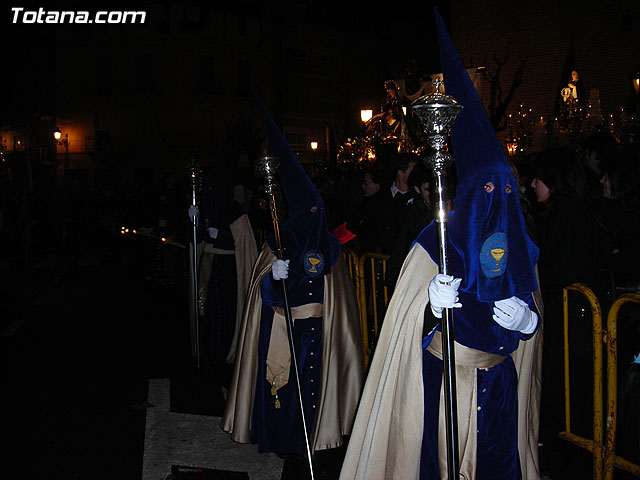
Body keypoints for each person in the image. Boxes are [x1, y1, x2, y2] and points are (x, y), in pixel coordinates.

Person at [340, 10, 542, 479]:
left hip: (500, 388)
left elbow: (534, 309)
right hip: (443, 379)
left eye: (505, 189)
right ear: (470, 192)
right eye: (487, 191)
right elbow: (403, 323)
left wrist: (529, 321)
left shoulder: (519, 241)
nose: (498, 202)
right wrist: (429, 308)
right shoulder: (437, 239)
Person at [221, 96, 364, 464]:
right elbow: (261, 298)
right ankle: (285, 440)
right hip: (287, 333)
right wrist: (273, 276)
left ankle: (317, 436)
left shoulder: (330, 248)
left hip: (320, 332)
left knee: (315, 393)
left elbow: (341, 302)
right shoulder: (277, 245)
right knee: (286, 392)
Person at [187, 120, 259, 374]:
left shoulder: (236, 213)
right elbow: (197, 239)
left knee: (226, 314)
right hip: (210, 267)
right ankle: (207, 350)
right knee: (207, 310)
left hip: (228, 271)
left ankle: (225, 350)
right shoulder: (208, 208)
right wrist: (195, 221)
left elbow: (243, 246)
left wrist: (224, 235)